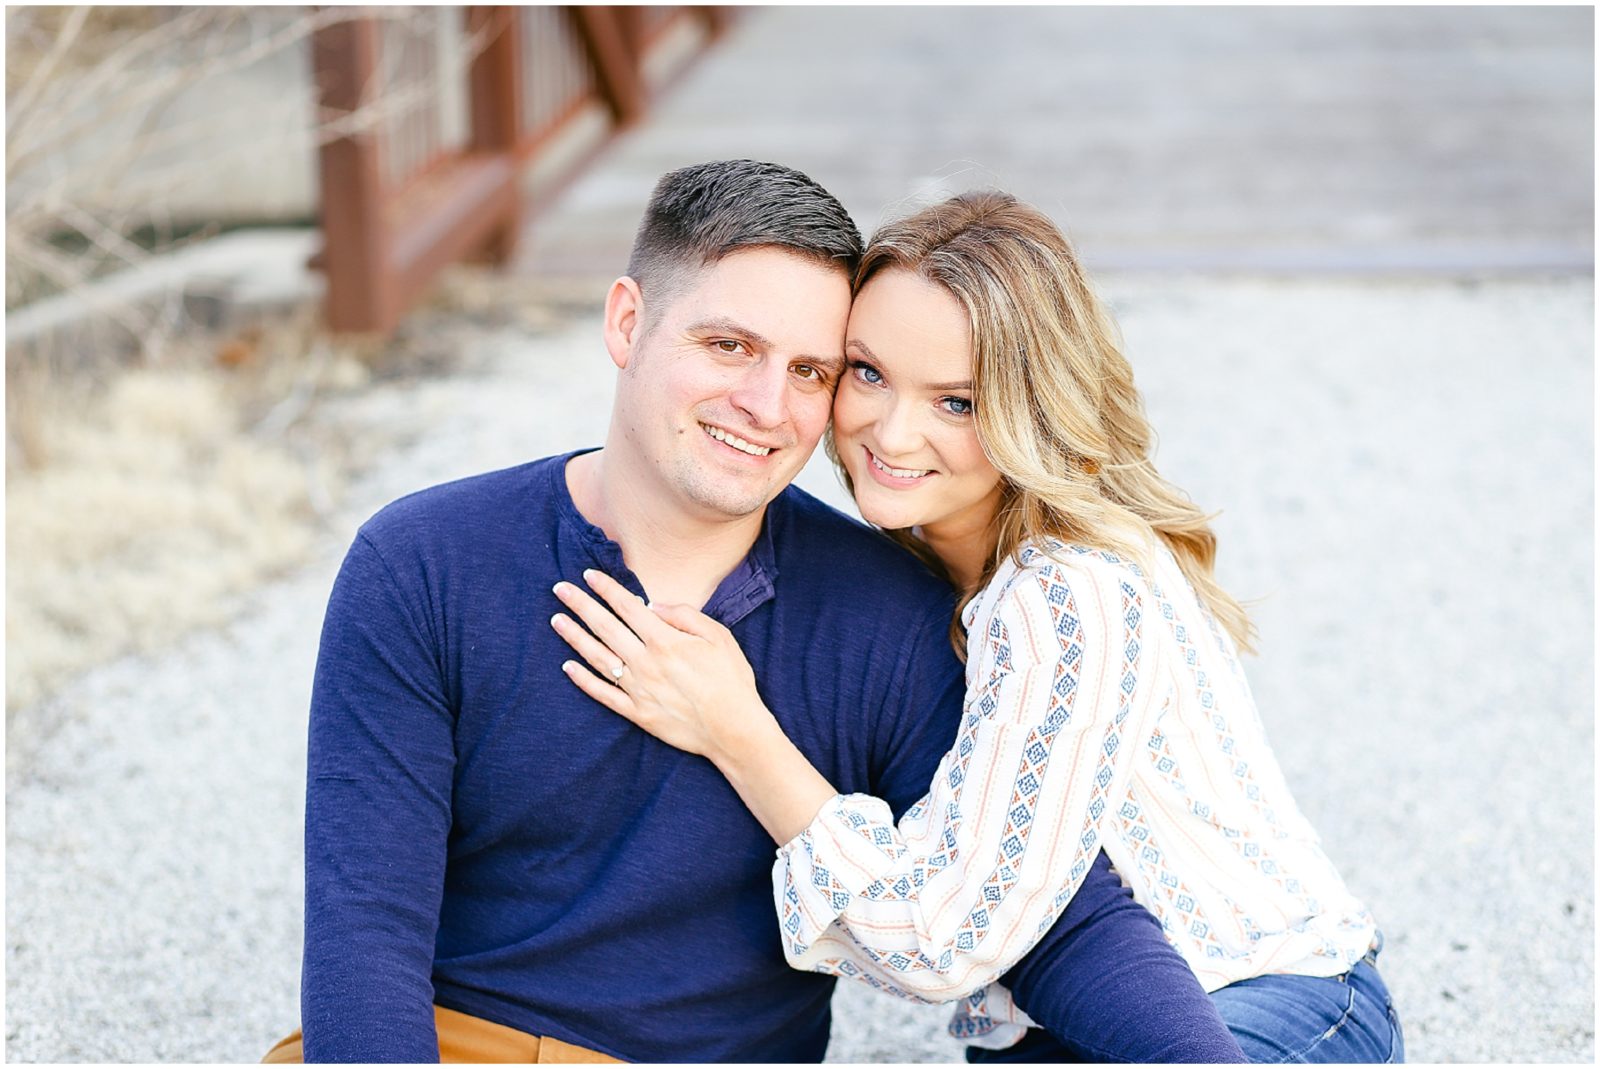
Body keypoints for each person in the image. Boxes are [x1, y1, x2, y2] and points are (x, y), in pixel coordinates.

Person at [270, 161, 1245, 1063]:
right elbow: (367, 936)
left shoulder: (888, 615)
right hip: (467, 1042)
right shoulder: (426, 563)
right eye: (728, 345)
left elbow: (1061, 923)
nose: (764, 405)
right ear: (626, 323)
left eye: (812, 371)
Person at [553, 190, 1406, 1063]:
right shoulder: (938, 567)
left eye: (956, 402)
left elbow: (944, 935)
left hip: (1270, 1007)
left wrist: (737, 731)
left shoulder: (1065, 589)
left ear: (1032, 407)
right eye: (869, 372)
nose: (891, 430)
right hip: (1078, 1031)